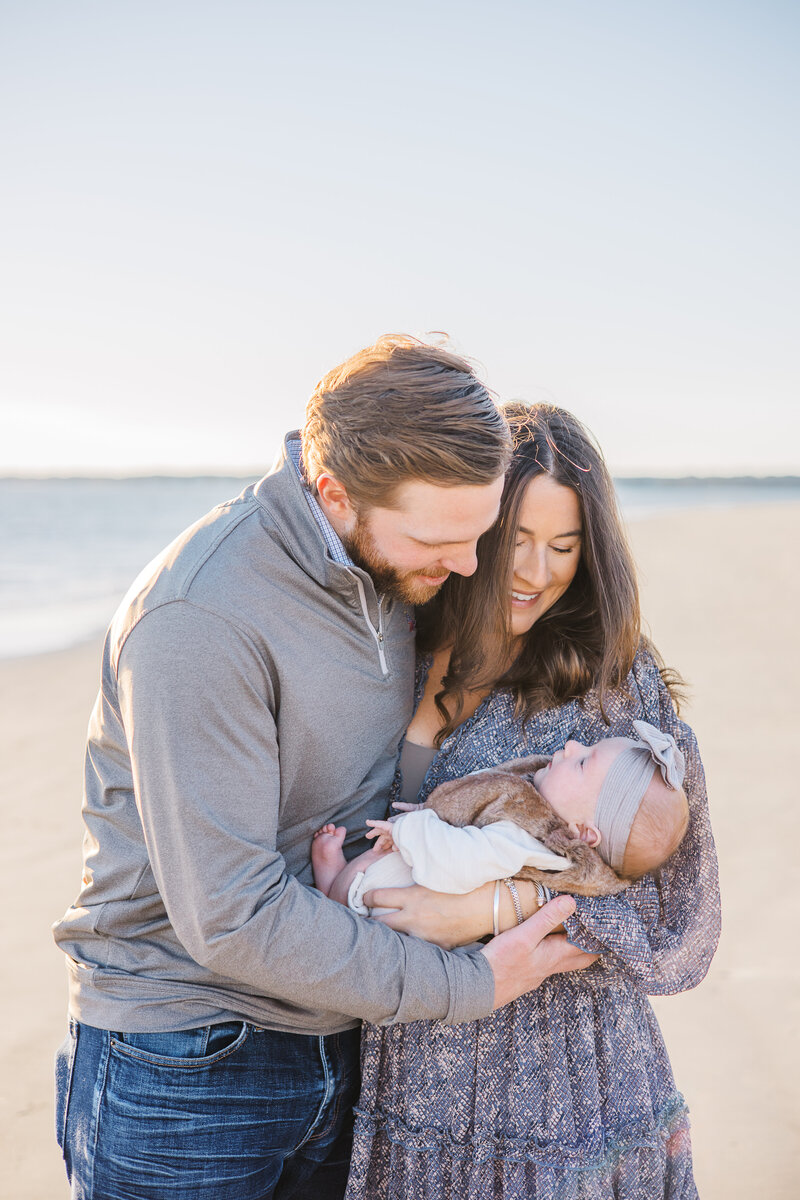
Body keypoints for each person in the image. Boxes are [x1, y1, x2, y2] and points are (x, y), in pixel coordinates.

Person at [52, 339, 593, 1200]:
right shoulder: (202, 619)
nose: (464, 568)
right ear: (334, 493)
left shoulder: (390, 566)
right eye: (438, 541)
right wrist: (467, 982)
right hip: (188, 1064)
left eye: (478, 534)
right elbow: (229, 915)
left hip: (346, 1041)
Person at [344, 402, 721, 1200]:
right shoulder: (396, 643)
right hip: (412, 1066)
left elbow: (677, 923)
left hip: (560, 1085)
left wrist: (498, 905)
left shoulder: (614, 682)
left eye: (563, 546)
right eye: (515, 540)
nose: (535, 572)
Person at [311, 719, 690, 910]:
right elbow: (472, 801)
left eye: (583, 762)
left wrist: (412, 829)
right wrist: (435, 810)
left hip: (387, 902)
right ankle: (334, 883)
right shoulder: (533, 814)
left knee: (349, 900)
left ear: (583, 832)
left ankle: (335, 886)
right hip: (392, 880)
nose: (572, 744)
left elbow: (457, 860)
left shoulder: (528, 844)